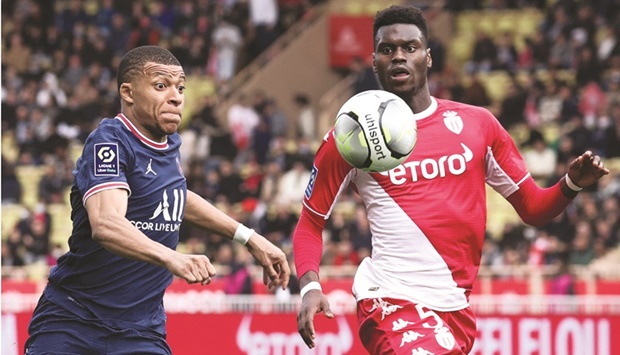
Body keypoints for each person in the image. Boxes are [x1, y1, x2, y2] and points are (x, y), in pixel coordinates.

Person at [293, 5, 609, 354]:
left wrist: (571, 184)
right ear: (374, 61)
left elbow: (533, 209)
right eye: (387, 50)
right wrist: (309, 286)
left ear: (428, 57)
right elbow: (311, 220)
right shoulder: (351, 137)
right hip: (390, 301)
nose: (399, 57)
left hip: (454, 309)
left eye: (410, 48)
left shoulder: (478, 125)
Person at [25, 46, 290, 354]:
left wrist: (249, 237)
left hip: (141, 331)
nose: (176, 97)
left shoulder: (169, 146)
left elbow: (175, 195)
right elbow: (107, 224)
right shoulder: (109, 142)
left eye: (180, 88)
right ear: (128, 92)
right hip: (74, 321)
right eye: (161, 86)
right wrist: (172, 257)